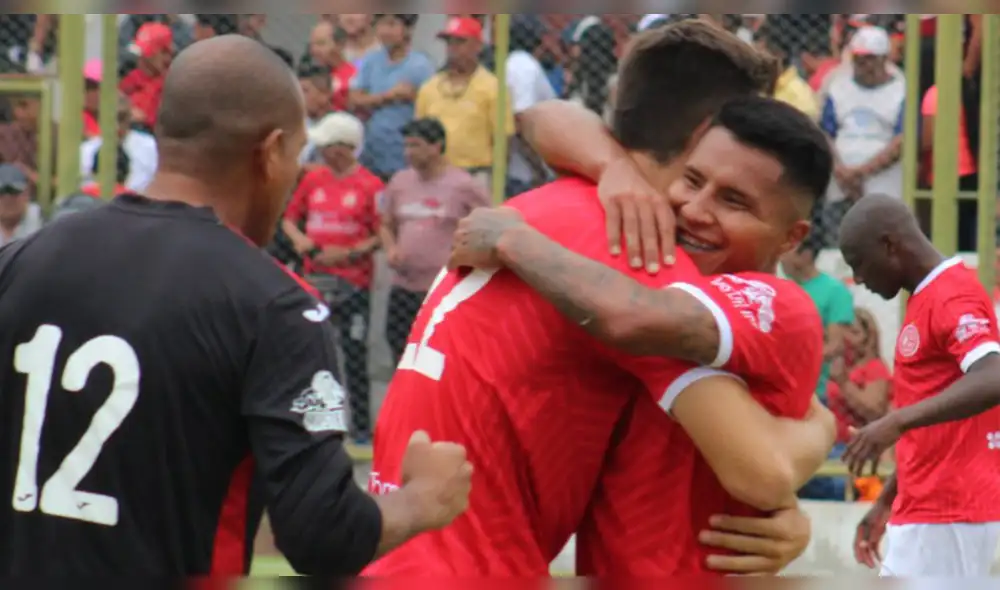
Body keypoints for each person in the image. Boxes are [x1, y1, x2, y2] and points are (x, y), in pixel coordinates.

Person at [364, 22, 830, 577]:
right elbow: (760, 467)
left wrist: (787, 513)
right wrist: (821, 430)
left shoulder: (550, 201)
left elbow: (540, 116)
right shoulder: (637, 251)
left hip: (396, 547)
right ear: (707, 132)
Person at [0, 34, 471, 576]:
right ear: (270, 153)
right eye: (296, 153)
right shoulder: (274, 304)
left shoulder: (24, 259)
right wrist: (423, 500)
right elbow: (322, 536)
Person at [838, 194, 1000, 577]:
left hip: (950, 512)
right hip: (930, 507)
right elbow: (935, 424)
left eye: (859, 263)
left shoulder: (951, 296)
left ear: (890, 245)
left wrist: (894, 423)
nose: (859, 278)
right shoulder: (928, 298)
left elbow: (994, 376)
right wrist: (888, 501)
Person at [282, 112, 382, 444]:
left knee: (354, 356)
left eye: (329, 146)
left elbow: (381, 234)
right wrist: (301, 242)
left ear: (346, 148)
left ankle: (362, 428)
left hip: (353, 282)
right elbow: (290, 220)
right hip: (316, 280)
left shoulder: (370, 185)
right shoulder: (313, 181)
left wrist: (352, 252)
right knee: (314, 354)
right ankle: (319, 422)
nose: (323, 152)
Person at [380, 118, 490, 364]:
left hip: (442, 287)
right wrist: (391, 248)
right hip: (404, 285)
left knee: (439, 353)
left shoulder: (463, 185)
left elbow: (487, 226)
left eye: (416, 145)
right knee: (399, 347)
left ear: (436, 146)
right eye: (406, 146)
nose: (408, 152)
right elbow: (386, 224)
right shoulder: (400, 182)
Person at [415, 16, 514, 189]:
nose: (452, 49)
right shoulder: (428, 87)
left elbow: (503, 141)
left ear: (477, 46)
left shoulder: (493, 87)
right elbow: (418, 136)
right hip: (435, 175)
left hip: (475, 175)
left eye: (460, 42)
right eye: (449, 43)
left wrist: (496, 182)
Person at [349, 14, 435, 182]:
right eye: (381, 25)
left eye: (391, 25)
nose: (385, 31)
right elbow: (354, 99)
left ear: (408, 29)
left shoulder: (421, 65)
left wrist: (413, 96)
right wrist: (389, 96)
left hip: (405, 155)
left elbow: (432, 106)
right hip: (372, 153)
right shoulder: (370, 61)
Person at [80, 94, 158, 193]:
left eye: (121, 118)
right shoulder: (85, 151)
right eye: (111, 119)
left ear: (130, 117)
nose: (117, 126)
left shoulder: (150, 147)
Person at [121, 21, 174, 132]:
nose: (141, 59)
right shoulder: (132, 77)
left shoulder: (170, 84)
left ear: (165, 54)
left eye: (147, 55)